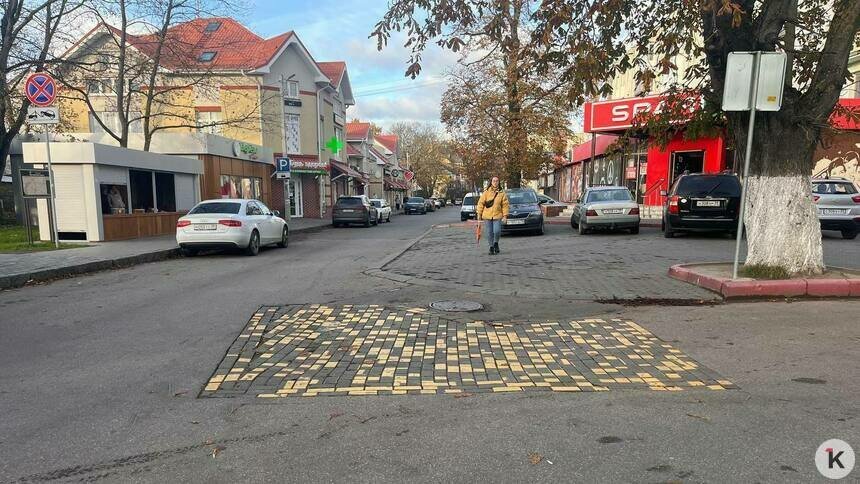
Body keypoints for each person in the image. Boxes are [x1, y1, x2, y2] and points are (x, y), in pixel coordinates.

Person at [476, 176, 509, 255]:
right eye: (494, 181)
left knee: (497, 231)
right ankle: (491, 247)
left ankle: (496, 243)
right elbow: (480, 203)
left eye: (497, 181)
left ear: (499, 182)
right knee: (489, 232)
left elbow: (505, 205)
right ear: (491, 182)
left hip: (497, 216)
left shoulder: (502, 193)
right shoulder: (486, 192)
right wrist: (479, 214)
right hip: (487, 216)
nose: (495, 182)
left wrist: (505, 216)